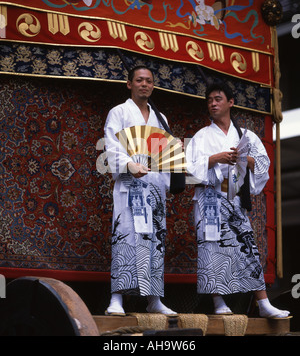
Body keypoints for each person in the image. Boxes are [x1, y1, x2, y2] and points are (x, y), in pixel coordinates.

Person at [186, 82, 290, 318]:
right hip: (210, 199)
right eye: (210, 100)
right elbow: (189, 171)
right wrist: (216, 158)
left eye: (218, 99)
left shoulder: (246, 135)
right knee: (212, 247)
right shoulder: (201, 136)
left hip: (234, 198)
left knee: (247, 248)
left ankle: (263, 303)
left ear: (230, 102)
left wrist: (246, 159)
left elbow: (264, 165)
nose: (213, 104)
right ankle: (218, 301)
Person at [103, 66, 176, 316]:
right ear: (129, 84)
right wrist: (128, 165)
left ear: (153, 86)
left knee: (154, 242)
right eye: (139, 80)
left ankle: (154, 299)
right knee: (125, 238)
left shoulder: (160, 118)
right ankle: (117, 298)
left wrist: (162, 183)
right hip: (129, 185)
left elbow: (164, 156)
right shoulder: (119, 112)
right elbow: (111, 145)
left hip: (153, 189)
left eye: (148, 81)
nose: (144, 84)